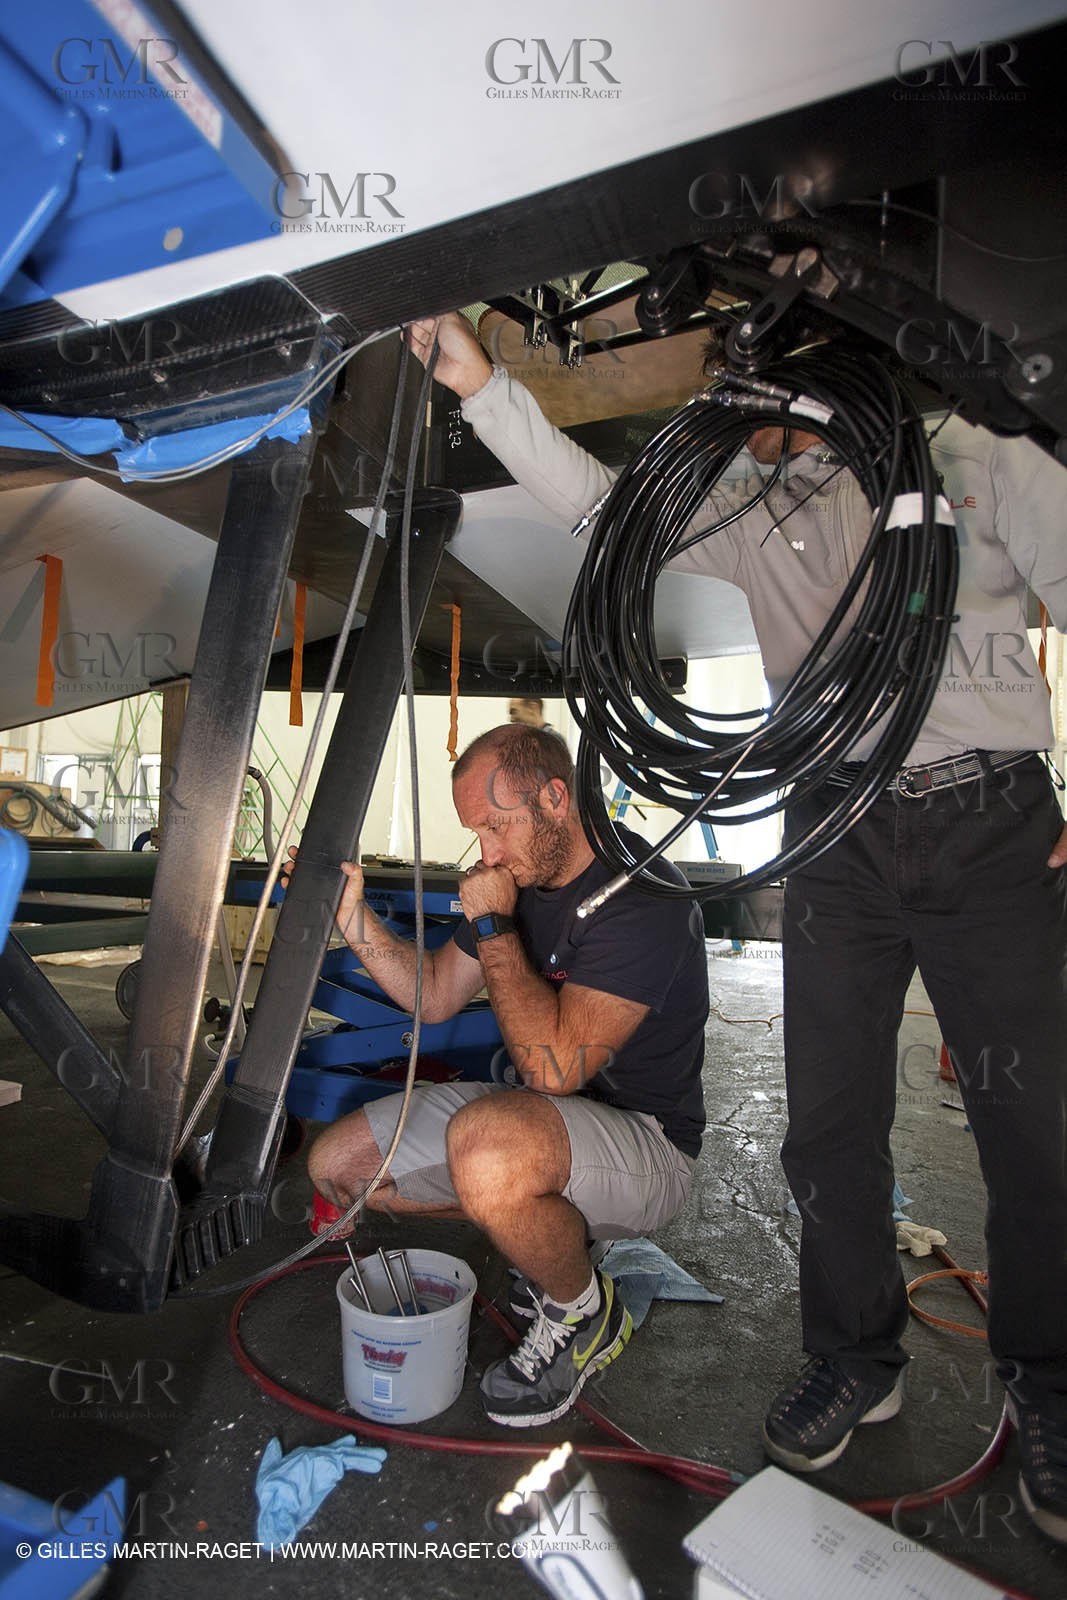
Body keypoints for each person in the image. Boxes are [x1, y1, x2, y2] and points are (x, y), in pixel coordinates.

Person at [405, 312, 1067, 1542]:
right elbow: (603, 512)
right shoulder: (733, 495)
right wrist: (483, 384)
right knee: (825, 1126)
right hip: (836, 830)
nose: (744, 408)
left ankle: (1050, 1384)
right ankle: (853, 1357)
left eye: (768, 378)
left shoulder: (974, 449)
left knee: (1031, 1123)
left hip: (983, 817)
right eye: (732, 383)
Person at [296, 723, 709, 1428]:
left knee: (488, 1149)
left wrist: (492, 930)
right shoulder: (519, 877)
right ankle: (551, 1237)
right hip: (545, 1127)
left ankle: (583, 1313)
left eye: (495, 826)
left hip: (649, 1146)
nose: (484, 853)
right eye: (474, 832)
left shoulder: (641, 898)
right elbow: (432, 995)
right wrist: (350, 916)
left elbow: (553, 1071)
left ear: (554, 797)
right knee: (339, 1166)